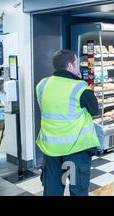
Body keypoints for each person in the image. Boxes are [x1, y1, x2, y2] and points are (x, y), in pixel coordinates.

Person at [36, 50, 99, 196]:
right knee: (77, 190)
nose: (78, 66)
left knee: (53, 190)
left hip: (51, 150)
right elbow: (94, 109)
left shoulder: (42, 85)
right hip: (74, 151)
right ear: (70, 66)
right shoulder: (79, 87)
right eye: (77, 63)